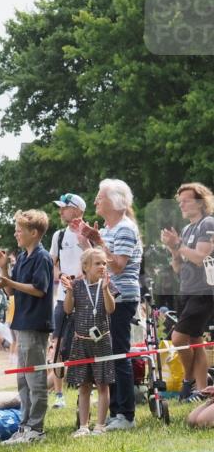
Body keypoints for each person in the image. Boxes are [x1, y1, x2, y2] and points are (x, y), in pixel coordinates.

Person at [73, 179, 143, 431]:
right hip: (105, 297)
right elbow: (102, 263)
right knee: (108, 355)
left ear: (115, 202)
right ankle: (113, 411)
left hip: (120, 298)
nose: (95, 202)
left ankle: (125, 414)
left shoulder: (124, 228)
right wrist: (87, 242)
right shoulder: (109, 228)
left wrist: (98, 240)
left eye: (99, 197)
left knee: (118, 354)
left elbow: (117, 265)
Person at [0, 210, 54, 445]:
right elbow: (10, 291)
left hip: (35, 324)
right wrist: (4, 269)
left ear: (34, 233)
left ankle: (35, 429)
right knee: (23, 380)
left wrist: (10, 281)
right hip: (21, 323)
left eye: (20, 229)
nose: (16, 233)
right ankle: (25, 425)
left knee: (35, 379)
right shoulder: (22, 257)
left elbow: (39, 289)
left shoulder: (42, 257)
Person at [160, 183, 214, 403]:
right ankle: (201, 390)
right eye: (179, 201)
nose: (181, 204)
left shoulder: (208, 222)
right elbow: (179, 268)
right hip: (187, 289)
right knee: (195, 341)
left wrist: (179, 244)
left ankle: (188, 379)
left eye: (186, 200)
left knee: (178, 337)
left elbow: (200, 258)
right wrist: (174, 249)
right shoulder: (186, 229)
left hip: (204, 290)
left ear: (200, 202)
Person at [64, 248, 117, 436]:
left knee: (103, 384)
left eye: (104, 263)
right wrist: (69, 292)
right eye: (98, 263)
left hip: (102, 341)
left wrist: (105, 291)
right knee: (84, 385)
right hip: (81, 342)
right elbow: (68, 309)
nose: (102, 266)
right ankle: (83, 426)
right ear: (85, 266)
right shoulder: (77, 285)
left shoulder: (107, 284)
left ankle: (100, 425)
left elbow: (111, 309)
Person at [48, 193, 89, 409]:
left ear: (77, 210)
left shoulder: (89, 232)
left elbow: (94, 262)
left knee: (86, 345)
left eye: (64, 207)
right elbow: (53, 263)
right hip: (62, 297)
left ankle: (87, 389)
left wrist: (81, 278)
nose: (60, 211)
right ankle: (59, 395)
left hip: (85, 298)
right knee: (58, 345)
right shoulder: (58, 235)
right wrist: (60, 274)